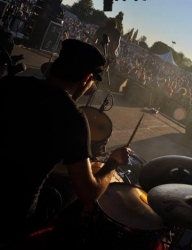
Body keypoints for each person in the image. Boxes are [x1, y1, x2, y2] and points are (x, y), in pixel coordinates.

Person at [0, 39, 131, 248]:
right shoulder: (73, 119)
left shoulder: (10, 83)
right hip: (12, 217)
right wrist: (113, 162)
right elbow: (89, 193)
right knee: (59, 196)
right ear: (87, 78)